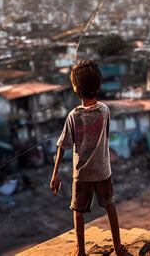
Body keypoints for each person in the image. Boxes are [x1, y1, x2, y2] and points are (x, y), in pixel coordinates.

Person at [50, 60, 122, 256]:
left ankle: (80, 251)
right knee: (110, 205)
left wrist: (55, 174)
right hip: (103, 171)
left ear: (76, 89)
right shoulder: (105, 111)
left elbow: (62, 146)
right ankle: (118, 248)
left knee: (78, 212)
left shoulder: (73, 116)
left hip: (81, 174)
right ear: (98, 86)